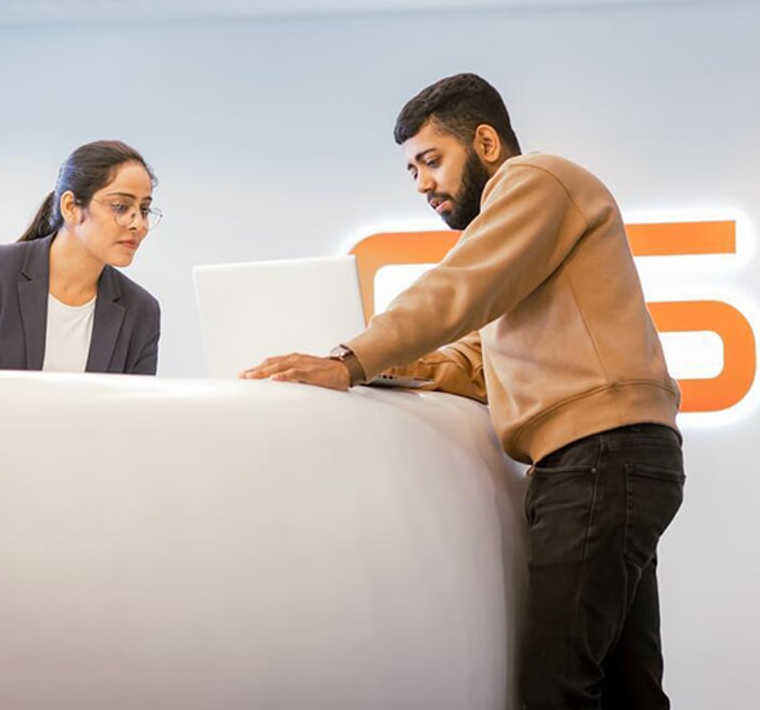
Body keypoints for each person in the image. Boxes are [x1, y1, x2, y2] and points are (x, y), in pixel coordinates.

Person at [245, 73, 685, 708]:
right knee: (629, 691)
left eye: (431, 161)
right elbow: (474, 361)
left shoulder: (535, 181)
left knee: (555, 689)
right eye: (412, 171)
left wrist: (349, 360)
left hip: (599, 458)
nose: (422, 184)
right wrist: (389, 369)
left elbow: (460, 288)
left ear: (485, 142)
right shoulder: (531, 246)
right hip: (617, 461)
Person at [0, 140, 162, 374]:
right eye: (121, 207)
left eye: (143, 210)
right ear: (70, 207)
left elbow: (135, 411)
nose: (139, 224)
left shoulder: (141, 311)